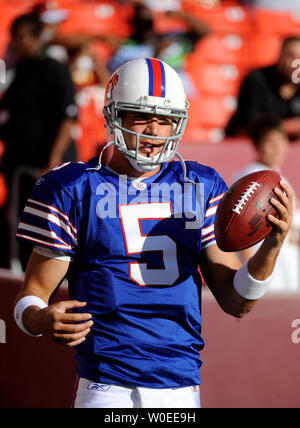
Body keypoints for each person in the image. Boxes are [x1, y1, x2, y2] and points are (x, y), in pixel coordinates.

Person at [13, 58, 293, 408]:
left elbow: (237, 302)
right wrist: (38, 318)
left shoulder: (200, 184)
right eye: (142, 117)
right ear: (115, 116)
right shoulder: (73, 186)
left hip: (179, 384)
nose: (155, 131)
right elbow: (33, 292)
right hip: (105, 384)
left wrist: (272, 247)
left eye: (166, 120)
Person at [0, 13, 78, 270]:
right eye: (14, 37)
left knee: (50, 227)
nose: (17, 43)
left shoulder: (54, 69)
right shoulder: (16, 72)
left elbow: (67, 117)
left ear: (36, 38)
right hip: (20, 168)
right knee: (21, 228)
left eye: (22, 37)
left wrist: (52, 163)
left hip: (46, 169)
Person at [232, 115, 300, 291]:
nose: (278, 148)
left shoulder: (279, 176)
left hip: (287, 266)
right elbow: (238, 229)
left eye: (281, 140)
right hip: (267, 270)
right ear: (257, 145)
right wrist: (250, 270)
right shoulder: (251, 179)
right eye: (270, 142)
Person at [107, 3, 211, 96]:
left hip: (182, 93)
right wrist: (156, 54)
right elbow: (123, 79)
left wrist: (180, 15)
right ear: (132, 23)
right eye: (142, 21)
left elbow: (205, 31)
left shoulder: (174, 37)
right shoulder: (126, 49)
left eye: (149, 20)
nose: (148, 26)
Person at [225, 36, 300, 139]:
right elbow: (252, 126)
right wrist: (291, 126)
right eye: (290, 56)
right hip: (245, 147)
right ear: (280, 55)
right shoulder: (256, 80)